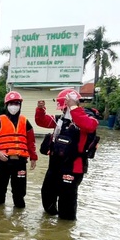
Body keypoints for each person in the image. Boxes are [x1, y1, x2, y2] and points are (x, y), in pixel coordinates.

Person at [35, 88, 99, 221]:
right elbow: (42, 121)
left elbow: (89, 126)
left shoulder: (88, 117)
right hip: (55, 166)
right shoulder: (61, 119)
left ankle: (65, 231)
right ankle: (49, 226)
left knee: (66, 204)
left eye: (65, 106)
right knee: (47, 195)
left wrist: (74, 108)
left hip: (72, 167)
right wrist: (40, 110)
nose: (64, 110)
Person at [0, 91, 38, 208]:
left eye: (16, 103)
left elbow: (31, 141)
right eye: (11, 103)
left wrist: (33, 157)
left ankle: (19, 219)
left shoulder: (25, 122)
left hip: (20, 162)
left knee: (19, 194)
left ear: (20, 105)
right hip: (3, 160)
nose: (13, 106)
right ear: (6, 105)